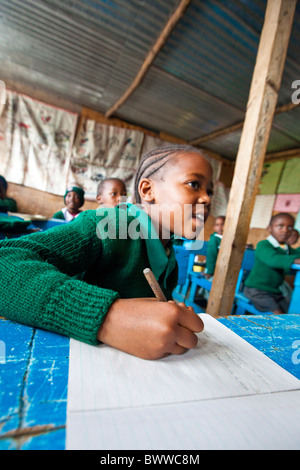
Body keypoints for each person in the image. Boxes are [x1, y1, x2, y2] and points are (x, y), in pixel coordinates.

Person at [0, 145, 213, 360]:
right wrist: (109, 318)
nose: (207, 199)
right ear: (148, 191)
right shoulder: (108, 225)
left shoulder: (169, 257)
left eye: (210, 191)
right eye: (194, 184)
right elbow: (4, 262)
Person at [244, 212, 300, 314]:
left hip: (274, 291)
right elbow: (273, 259)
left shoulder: (285, 248)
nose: (285, 230)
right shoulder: (264, 245)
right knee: (277, 312)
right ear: (269, 228)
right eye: (280, 226)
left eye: (290, 227)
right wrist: (294, 260)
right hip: (256, 290)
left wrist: (295, 257)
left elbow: (297, 253)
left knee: (290, 312)